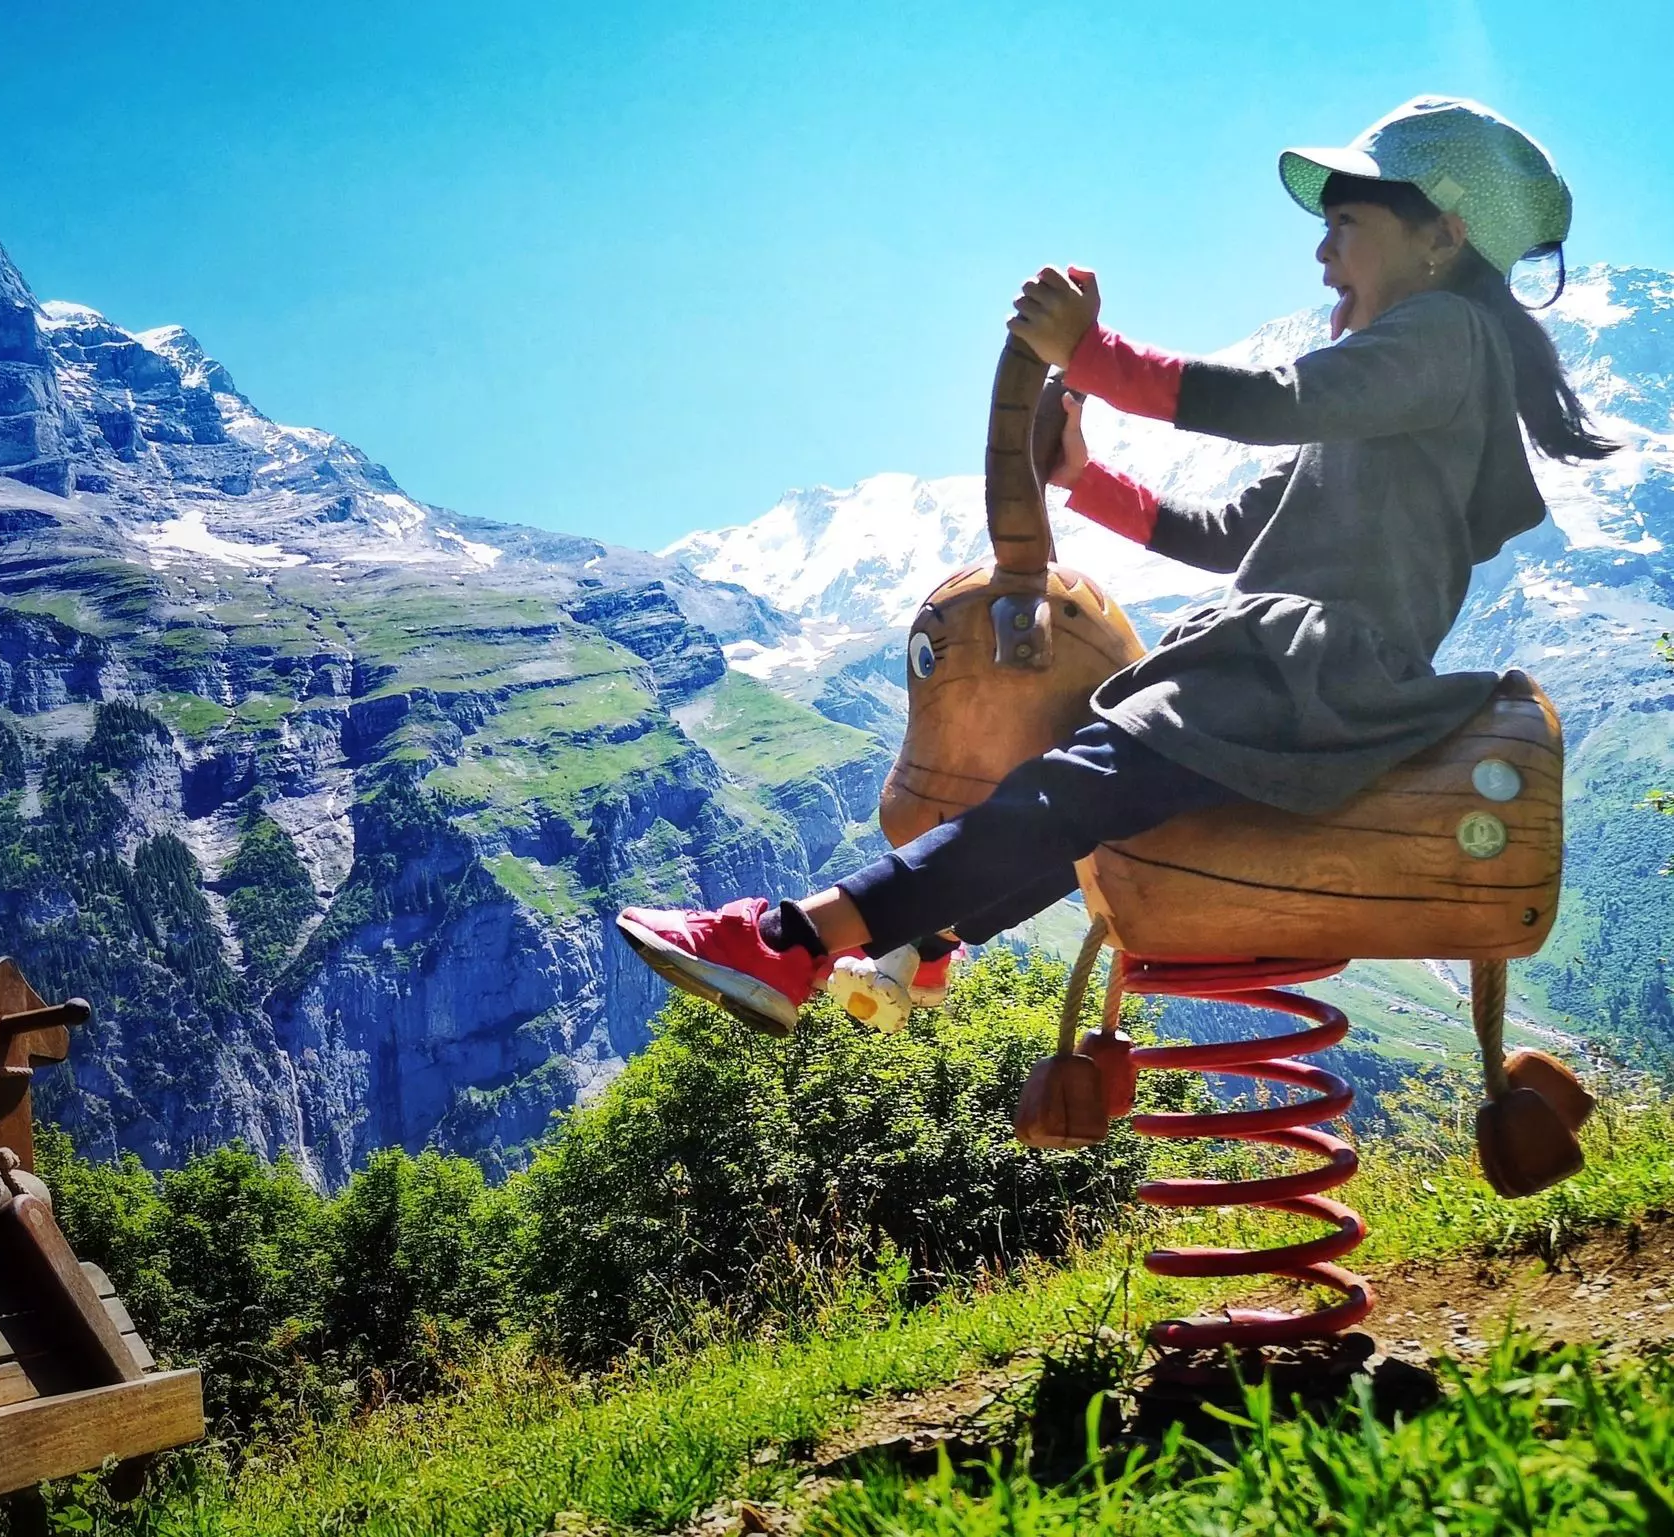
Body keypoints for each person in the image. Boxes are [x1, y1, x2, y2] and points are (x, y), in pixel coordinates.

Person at [618, 95, 1619, 1037]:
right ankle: (929, 938)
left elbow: (1275, 397)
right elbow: (1229, 532)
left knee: (1079, 780)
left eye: (1347, 222)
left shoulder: (1446, 336)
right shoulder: (1397, 401)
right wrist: (1085, 479)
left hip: (1314, 675)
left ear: (1442, 233)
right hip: (1298, 666)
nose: (1321, 255)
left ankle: (788, 940)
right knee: (1095, 794)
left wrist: (1092, 354)